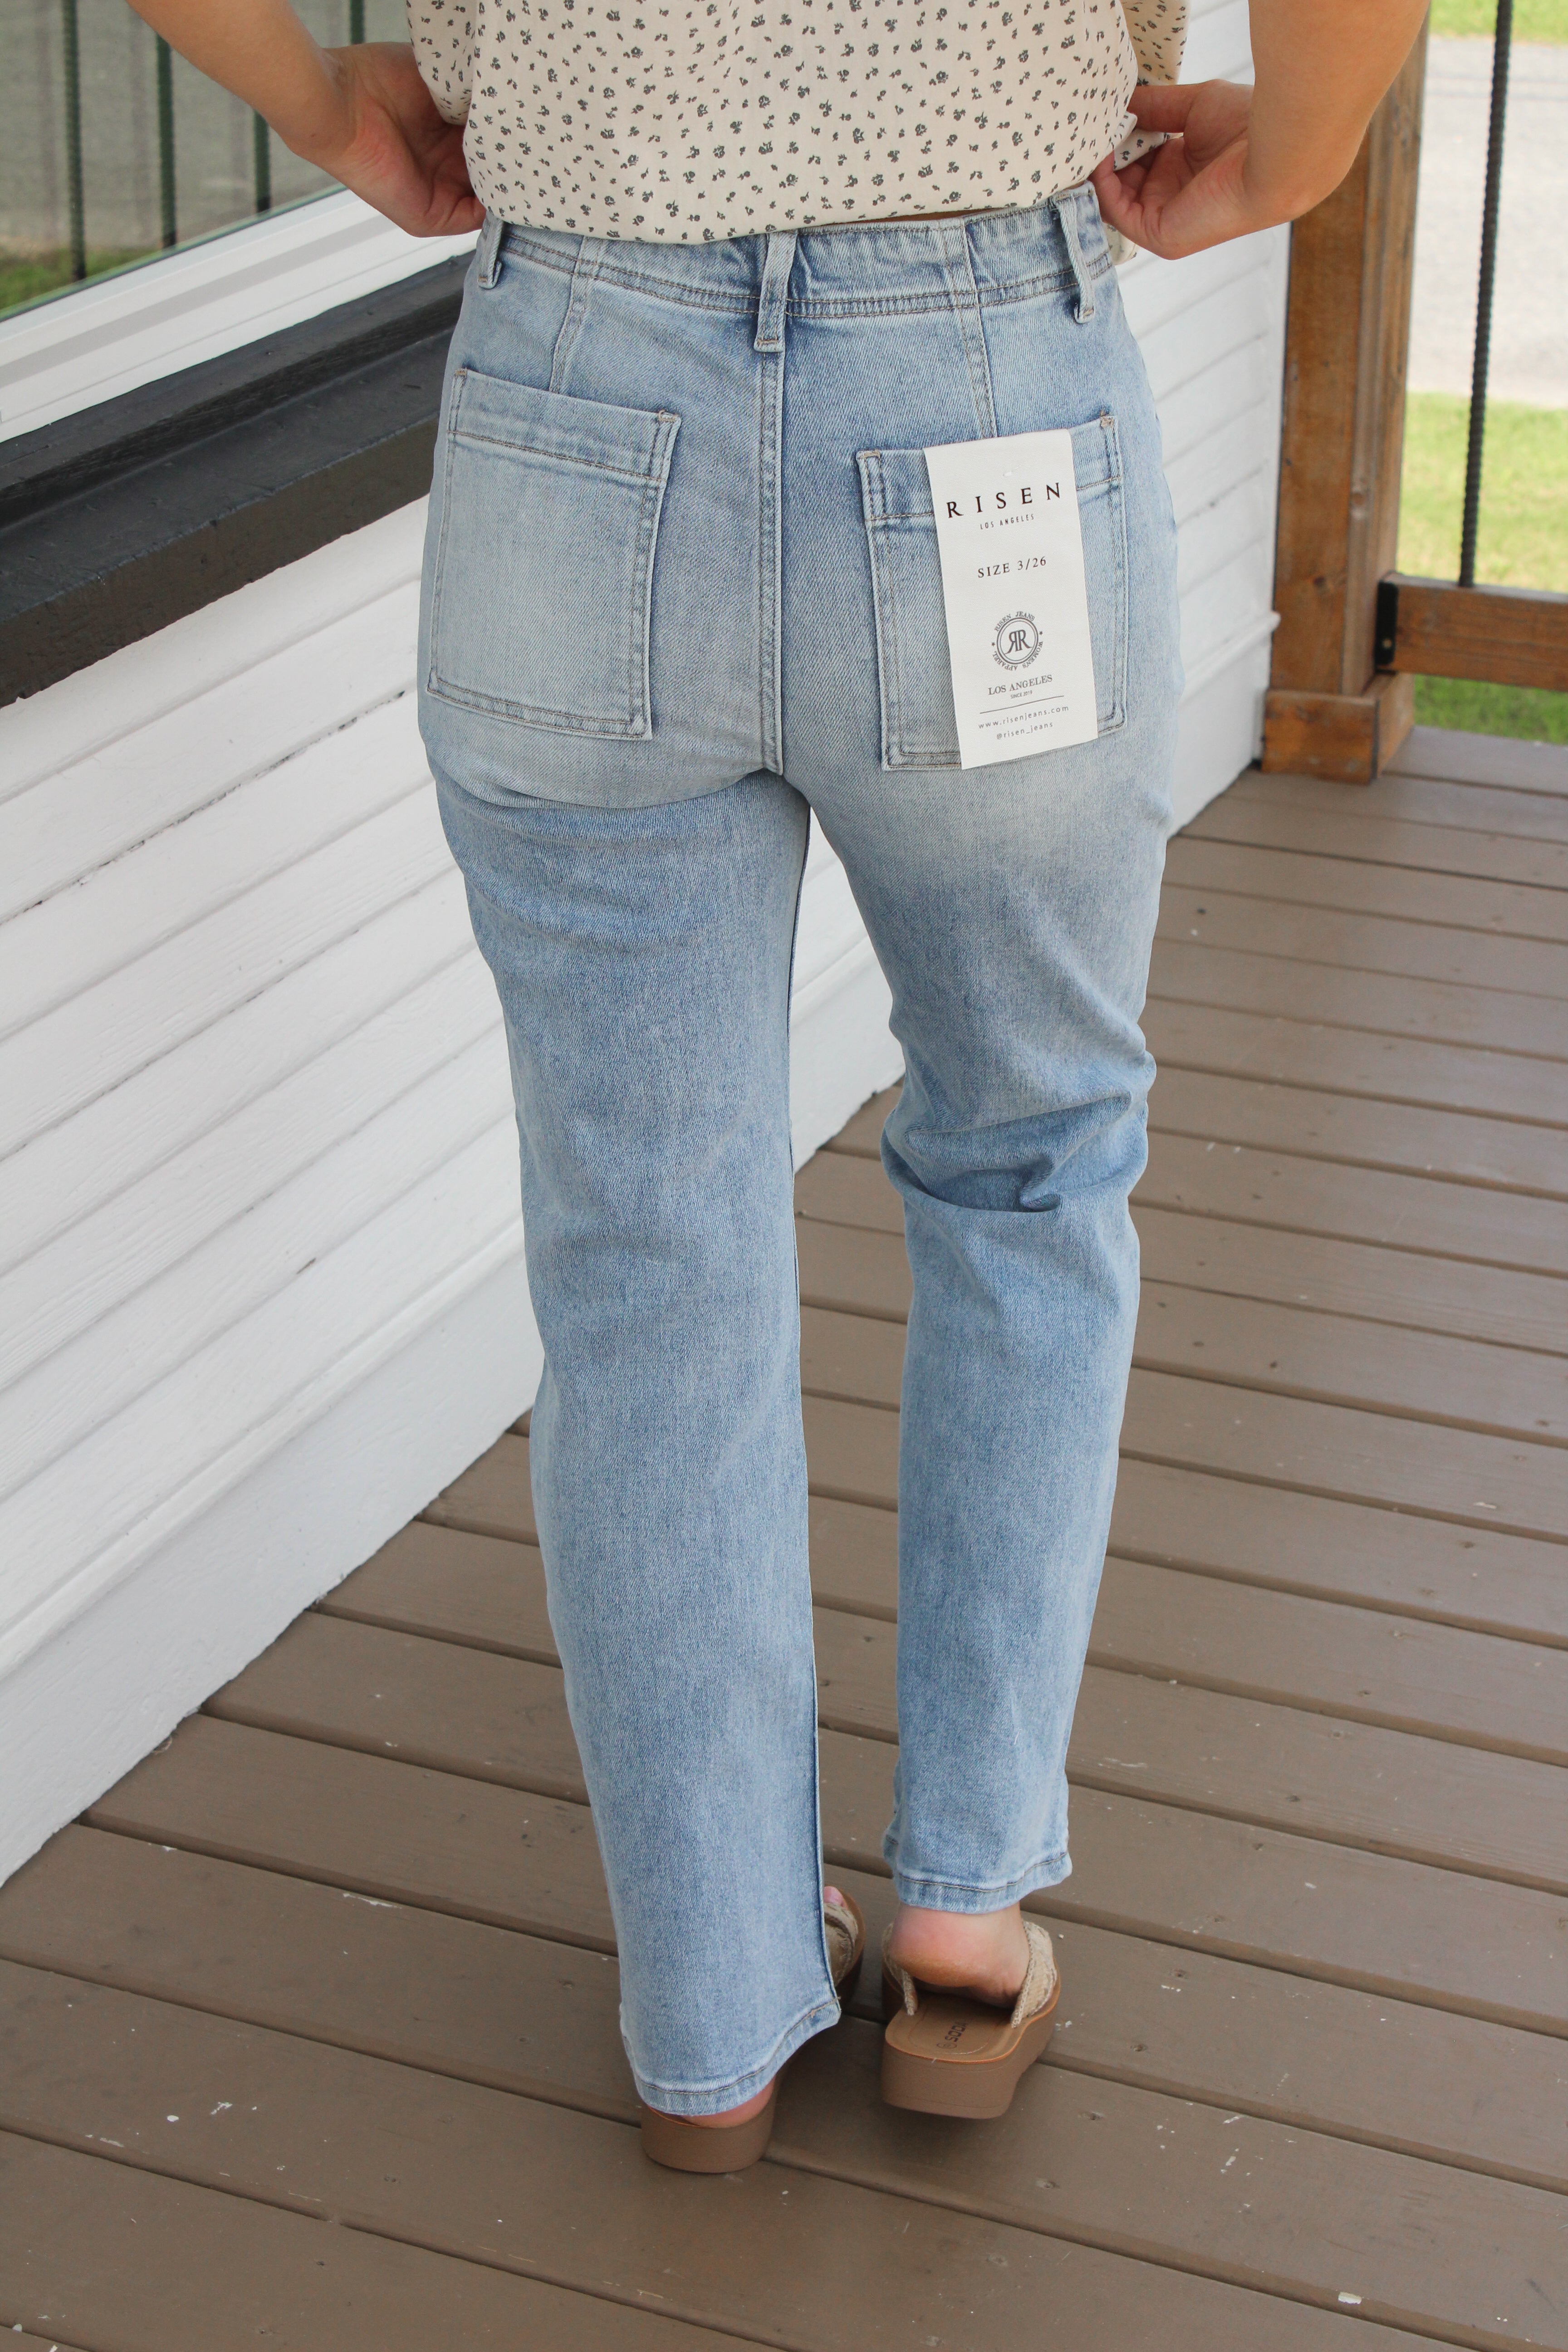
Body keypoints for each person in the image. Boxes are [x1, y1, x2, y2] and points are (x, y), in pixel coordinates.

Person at [132, 0, 1429, 2171]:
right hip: (985, 380)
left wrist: (326, 99)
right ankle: (961, 1918)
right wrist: (1300, 152)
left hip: (573, 382)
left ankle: (712, 2006)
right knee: (1030, 1154)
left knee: (647, 1242)